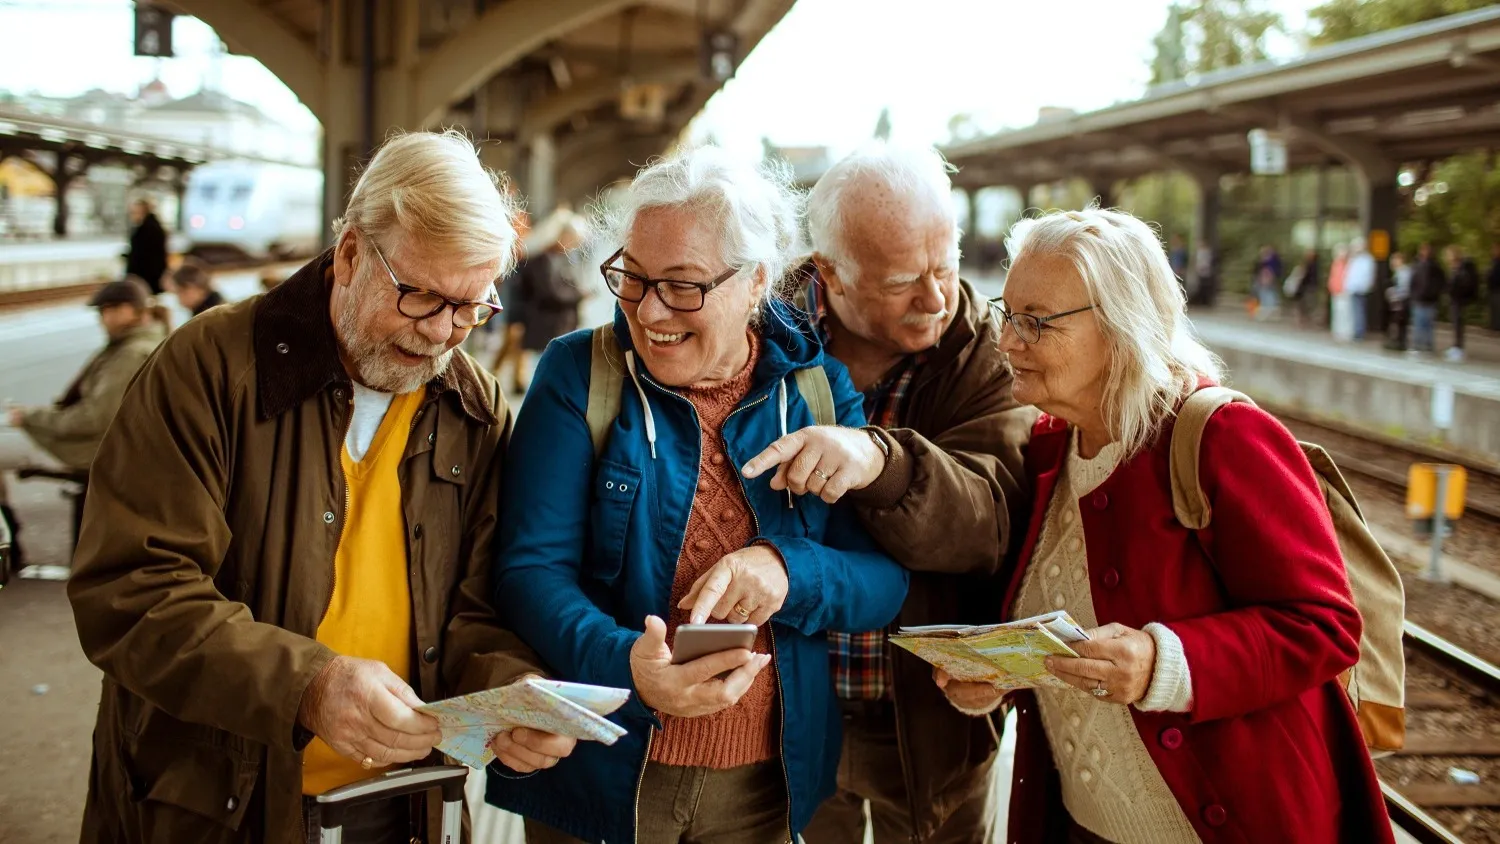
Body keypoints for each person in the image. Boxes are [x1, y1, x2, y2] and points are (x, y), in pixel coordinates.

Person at [66, 131, 577, 844]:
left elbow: (474, 607)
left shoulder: (474, 404)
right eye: (420, 297)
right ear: (349, 255)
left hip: (403, 798)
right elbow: (131, 590)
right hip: (215, 806)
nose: (440, 335)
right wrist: (305, 685)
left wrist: (511, 687)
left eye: (470, 308)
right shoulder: (207, 368)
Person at [487, 146, 909, 844]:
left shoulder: (818, 393)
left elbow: (882, 582)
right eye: (632, 276)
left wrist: (786, 569)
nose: (649, 311)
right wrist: (628, 663)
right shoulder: (578, 374)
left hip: (761, 790)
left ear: (755, 283)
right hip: (604, 773)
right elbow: (529, 573)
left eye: (683, 285)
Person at [935, 207, 1392, 844]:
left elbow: (1326, 625)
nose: (1008, 342)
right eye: (1006, 314)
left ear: (1122, 326)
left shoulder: (1222, 438)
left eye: (1036, 322)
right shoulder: (1048, 449)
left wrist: (1162, 665)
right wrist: (995, 679)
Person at [737, 143, 1032, 844]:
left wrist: (880, 460)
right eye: (903, 280)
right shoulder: (754, 330)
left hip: (931, 716)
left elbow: (991, 521)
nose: (936, 299)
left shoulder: (986, 353)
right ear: (832, 272)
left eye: (946, 266)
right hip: (787, 702)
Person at [0, 277, 167, 571]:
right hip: (103, 442)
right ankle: (10, 540)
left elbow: (94, 418)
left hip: (88, 448)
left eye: (106, 310)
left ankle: (8, 545)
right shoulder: (139, 342)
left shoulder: (129, 353)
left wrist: (30, 418)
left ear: (129, 310)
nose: (102, 319)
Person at [124, 198, 169, 295]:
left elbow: (141, 254)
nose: (132, 216)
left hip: (146, 276)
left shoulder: (145, 230)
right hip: (154, 275)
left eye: (135, 212)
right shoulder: (154, 226)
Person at [1409, 242, 1445, 353]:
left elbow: (1440, 283)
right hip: (1420, 299)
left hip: (1429, 299)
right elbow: (1413, 281)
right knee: (1419, 323)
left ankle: (1426, 346)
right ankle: (1419, 345)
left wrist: (1433, 294)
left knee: (1426, 324)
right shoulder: (1418, 265)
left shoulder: (1434, 267)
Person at [1445, 244, 1480, 363]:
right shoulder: (1455, 268)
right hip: (1455, 299)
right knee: (1456, 324)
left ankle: (1458, 348)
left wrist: (1454, 290)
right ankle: (1456, 347)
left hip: (1458, 300)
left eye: (1449, 254)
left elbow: (1461, 284)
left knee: (1458, 323)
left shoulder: (1460, 268)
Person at [1344, 236, 1377, 341]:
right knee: (1354, 311)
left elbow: (1368, 276)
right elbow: (1349, 274)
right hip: (1353, 288)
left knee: (1359, 311)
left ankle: (1359, 333)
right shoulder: (1354, 259)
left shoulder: (1367, 260)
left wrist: (1365, 286)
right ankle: (1355, 331)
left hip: (1361, 289)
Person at [1385, 251, 1412, 351]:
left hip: (1401, 301)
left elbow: (1404, 288)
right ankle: (1398, 341)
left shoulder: (1403, 272)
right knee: (1399, 322)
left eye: (1395, 260)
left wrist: (1393, 294)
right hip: (1398, 300)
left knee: (1400, 322)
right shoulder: (1399, 272)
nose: (1392, 262)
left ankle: (1401, 343)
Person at [1288, 248, 1320, 328]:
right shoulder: (1309, 265)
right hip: (1305, 287)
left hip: (1307, 287)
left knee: (1307, 304)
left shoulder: (1311, 265)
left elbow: (1307, 277)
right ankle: (1304, 321)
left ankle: (1305, 321)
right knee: (1304, 304)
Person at [1327, 243, 1351, 340]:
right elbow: (1333, 277)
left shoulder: (1348, 265)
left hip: (1344, 291)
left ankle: (1345, 332)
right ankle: (1337, 331)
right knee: (1337, 312)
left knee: (1345, 313)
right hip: (1335, 291)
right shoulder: (1336, 264)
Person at [1252, 244, 1281, 319]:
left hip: (1266, 279)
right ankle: (1270, 310)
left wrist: (1265, 279)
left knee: (1266, 294)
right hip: (1266, 279)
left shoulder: (1269, 262)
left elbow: (1267, 271)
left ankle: (1267, 311)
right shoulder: (1272, 261)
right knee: (1268, 294)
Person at [1489, 242, 1500, 332]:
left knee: (1497, 306)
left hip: (1498, 288)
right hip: (1492, 288)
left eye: (1496, 249)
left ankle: (1497, 326)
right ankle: (1494, 325)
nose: (1494, 251)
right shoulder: (1494, 261)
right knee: (1493, 307)